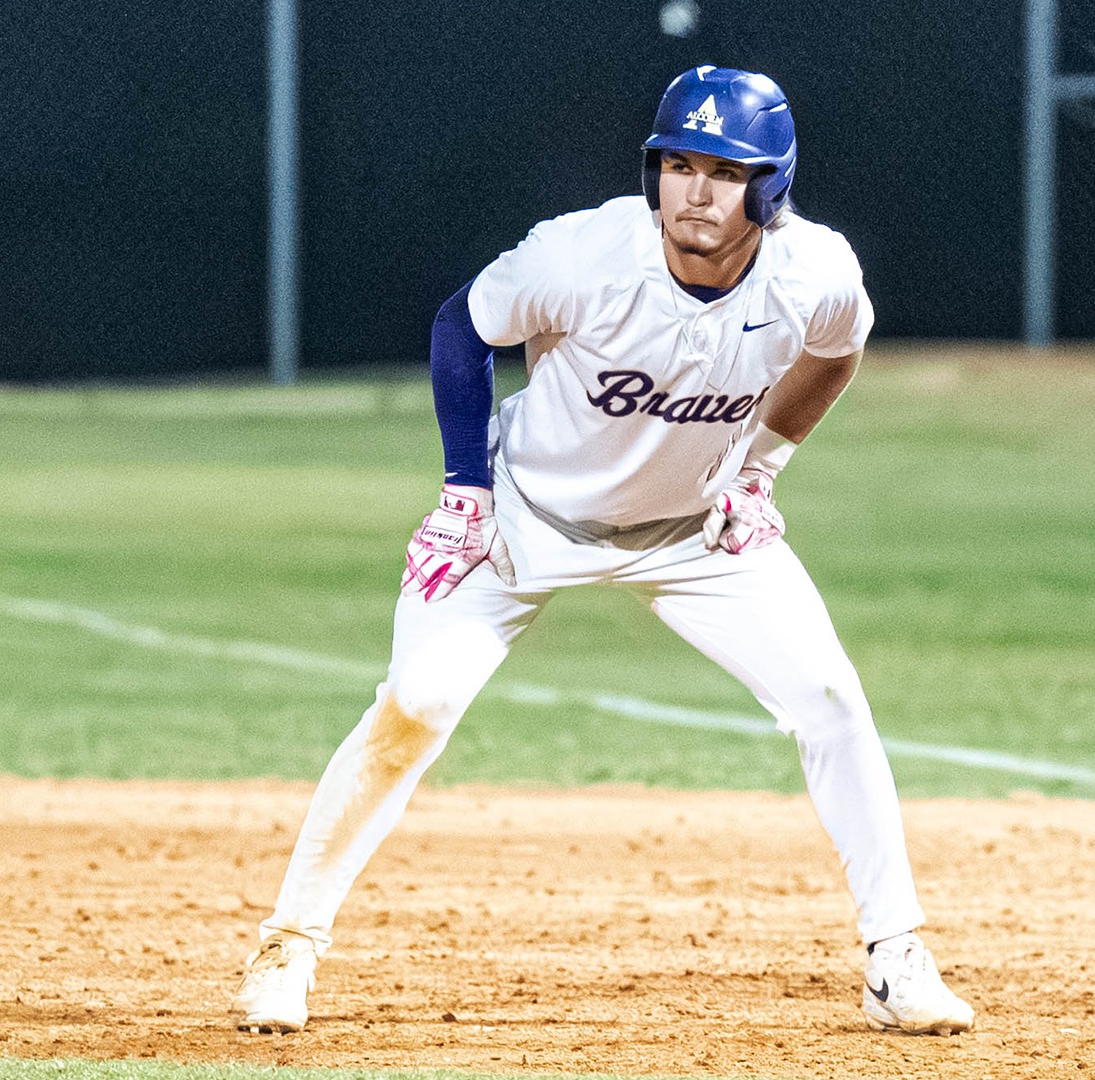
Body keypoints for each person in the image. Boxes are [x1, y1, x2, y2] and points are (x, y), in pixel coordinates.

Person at [232, 64, 974, 1037]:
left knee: (831, 700)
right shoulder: (582, 258)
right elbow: (465, 325)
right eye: (676, 163)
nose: (694, 191)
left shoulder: (816, 273)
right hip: (522, 519)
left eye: (724, 170)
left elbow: (839, 351)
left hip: (698, 533)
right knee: (416, 706)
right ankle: (289, 945)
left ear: (773, 187)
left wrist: (763, 467)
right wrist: (464, 489)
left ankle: (898, 958)